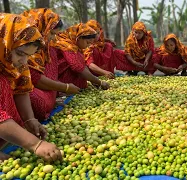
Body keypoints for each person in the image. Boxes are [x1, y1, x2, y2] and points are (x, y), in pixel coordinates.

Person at [0, 14, 62, 161]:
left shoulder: (16, 64)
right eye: (20, 54)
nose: (24, 61)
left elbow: (22, 90)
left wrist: (30, 120)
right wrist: (35, 144)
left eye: (28, 55)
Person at [22, 8, 80, 121]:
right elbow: (35, 79)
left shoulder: (47, 48)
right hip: (28, 88)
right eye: (52, 33)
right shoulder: (27, 46)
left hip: (45, 88)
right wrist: (66, 87)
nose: (54, 38)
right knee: (38, 101)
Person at [50, 23, 109, 89]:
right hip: (59, 82)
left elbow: (83, 65)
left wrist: (92, 80)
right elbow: (78, 68)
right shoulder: (67, 46)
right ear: (78, 37)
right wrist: (99, 82)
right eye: (87, 42)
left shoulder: (76, 47)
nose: (88, 45)